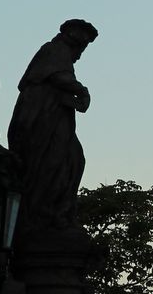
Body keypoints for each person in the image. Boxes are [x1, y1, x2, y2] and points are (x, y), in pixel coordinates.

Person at [8, 19, 98, 231]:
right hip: (41, 122)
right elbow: (59, 77)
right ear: (72, 39)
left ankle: (58, 211)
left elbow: (61, 88)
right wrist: (82, 90)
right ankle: (42, 213)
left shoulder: (61, 55)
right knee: (52, 162)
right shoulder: (54, 50)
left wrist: (77, 100)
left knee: (73, 160)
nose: (81, 52)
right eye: (82, 45)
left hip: (54, 121)